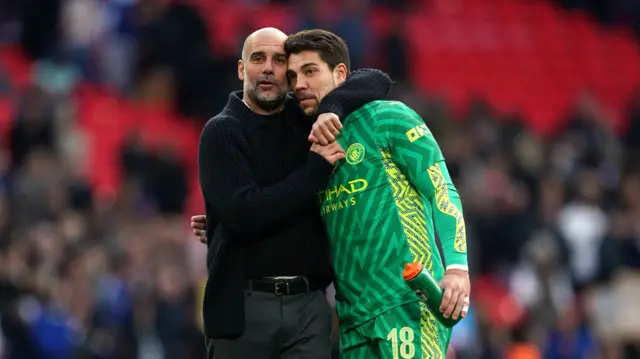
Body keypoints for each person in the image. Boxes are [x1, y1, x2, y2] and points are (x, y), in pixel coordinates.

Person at [197, 27, 392, 359]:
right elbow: (244, 213)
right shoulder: (221, 131)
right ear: (242, 69)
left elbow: (377, 80)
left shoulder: (307, 119)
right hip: (243, 311)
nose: (270, 68)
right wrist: (315, 171)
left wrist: (333, 106)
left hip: (309, 308)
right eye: (259, 59)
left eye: (280, 61)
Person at [282, 29, 471, 359]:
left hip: (408, 303)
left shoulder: (387, 118)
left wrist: (457, 268)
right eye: (293, 76)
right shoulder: (308, 150)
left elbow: (441, 189)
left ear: (340, 73)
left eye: (310, 71)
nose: (299, 84)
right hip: (353, 321)